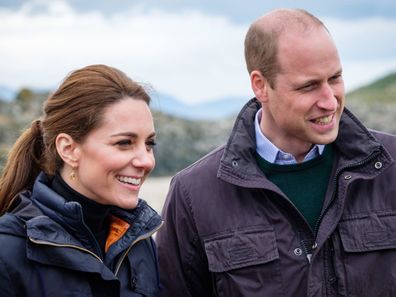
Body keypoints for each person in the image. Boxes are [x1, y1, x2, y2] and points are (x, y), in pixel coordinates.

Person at [156, 8, 396, 297]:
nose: (330, 102)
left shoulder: (390, 165)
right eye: (309, 86)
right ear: (261, 86)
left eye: (335, 78)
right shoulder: (193, 193)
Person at [0, 64, 163, 297]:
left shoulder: (139, 243)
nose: (146, 161)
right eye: (124, 143)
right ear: (69, 149)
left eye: (149, 144)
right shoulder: (8, 253)